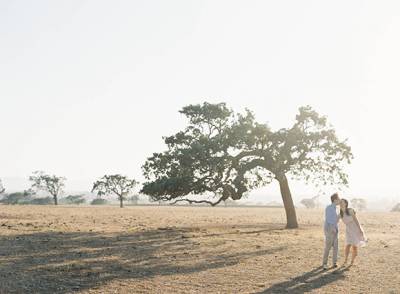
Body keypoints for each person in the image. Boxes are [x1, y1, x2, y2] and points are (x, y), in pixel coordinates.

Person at [339, 198, 367, 266]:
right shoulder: (341, 213)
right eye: (340, 202)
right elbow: (335, 220)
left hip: (355, 229)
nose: (341, 203)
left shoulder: (350, 210)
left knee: (354, 246)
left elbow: (356, 220)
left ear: (346, 203)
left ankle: (352, 261)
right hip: (348, 230)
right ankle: (345, 260)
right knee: (347, 245)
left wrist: (360, 229)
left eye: (342, 202)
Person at [322, 193, 341, 270]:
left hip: (335, 228)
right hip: (330, 228)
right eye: (338, 199)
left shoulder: (335, 208)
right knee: (328, 246)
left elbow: (336, 219)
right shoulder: (329, 208)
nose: (339, 200)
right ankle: (324, 263)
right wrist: (332, 228)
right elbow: (329, 219)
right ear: (335, 200)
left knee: (336, 247)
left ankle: (334, 262)